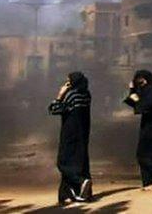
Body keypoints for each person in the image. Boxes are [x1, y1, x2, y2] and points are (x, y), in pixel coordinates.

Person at [48, 71, 93, 204]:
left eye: (68, 81)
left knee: (64, 162)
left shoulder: (72, 95)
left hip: (70, 133)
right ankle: (70, 195)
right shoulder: (86, 94)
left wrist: (60, 95)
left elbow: (54, 110)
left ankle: (80, 181)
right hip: (83, 133)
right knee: (81, 161)